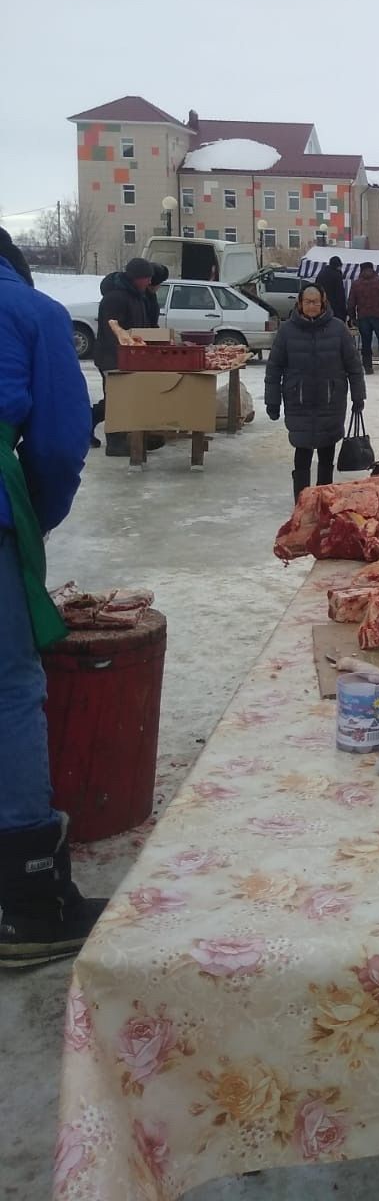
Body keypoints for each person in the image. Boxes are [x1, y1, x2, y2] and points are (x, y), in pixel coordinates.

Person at [0, 231, 105, 967]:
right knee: (9, 689)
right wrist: (29, 514)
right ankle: (31, 903)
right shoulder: (27, 311)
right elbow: (63, 444)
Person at [265, 284, 366, 501]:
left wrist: (359, 395)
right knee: (302, 453)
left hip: (330, 401)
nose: (312, 306)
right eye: (308, 302)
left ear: (323, 303)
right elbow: (274, 367)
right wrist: (272, 400)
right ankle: (302, 501)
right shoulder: (287, 331)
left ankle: (323, 501)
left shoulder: (338, 329)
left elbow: (354, 366)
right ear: (300, 304)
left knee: (326, 454)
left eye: (316, 302)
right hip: (298, 401)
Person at [94, 257, 157, 457]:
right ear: (135, 278)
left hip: (131, 357)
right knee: (115, 401)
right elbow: (112, 330)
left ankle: (134, 435)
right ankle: (115, 442)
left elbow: (141, 328)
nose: (149, 283)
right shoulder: (115, 298)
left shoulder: (137, 296)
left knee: (127, 398)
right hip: (113, 357)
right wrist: (123, 356)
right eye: (146, 278)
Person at [347, 263, 379, 375]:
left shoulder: (356, 284)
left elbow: (351, 303)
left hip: (363, 316)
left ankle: (368, 367)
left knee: (366, 343)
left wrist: (352, 317)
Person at [315, 255, 348, 322]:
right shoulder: (336, 275)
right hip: (334, 308)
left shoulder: (321, 273)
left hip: (321, 305)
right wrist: (343, 312)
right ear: (338, 265)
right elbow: (340, 294)